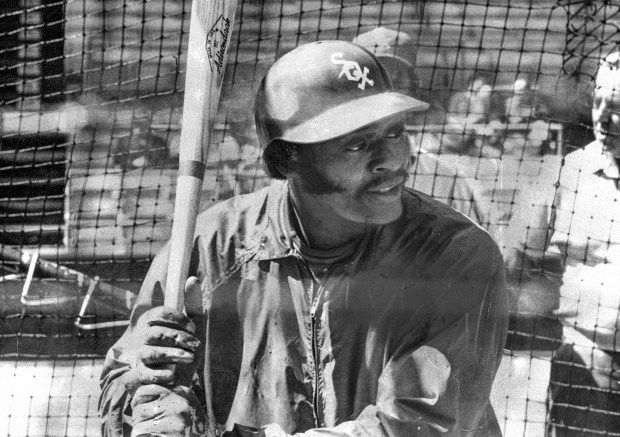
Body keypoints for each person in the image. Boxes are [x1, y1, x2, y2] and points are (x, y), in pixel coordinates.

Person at [99, 40, 509, 437]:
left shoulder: (454, 256)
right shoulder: (211, 248)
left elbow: (418, 426)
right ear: (286, 160)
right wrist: (147, 399)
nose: (392, 161)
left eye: (395, 133)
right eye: (357, 144)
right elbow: (119, 389)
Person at [503, 51, 620, 435]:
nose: (602, 116)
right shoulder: (569, 172)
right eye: (599, 100)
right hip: (585, 367)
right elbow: (517, 256)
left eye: (617, 106)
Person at [353, 27, 490, 224]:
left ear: (411, 83)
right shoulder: (321, 169)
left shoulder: (445, 179)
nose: (390, 83)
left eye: (398, 74)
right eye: (378, 73)